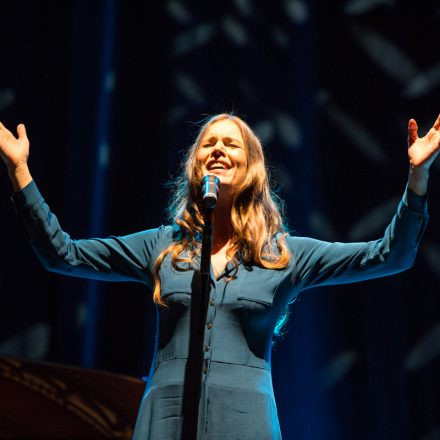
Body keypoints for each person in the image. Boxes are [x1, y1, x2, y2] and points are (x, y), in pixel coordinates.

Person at [0, 113, 438, 439]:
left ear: (251, 166)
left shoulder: (283, 254)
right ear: (195, 166)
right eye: (209, 143)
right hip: (165, 415)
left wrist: (418, 177)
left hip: (245, 419)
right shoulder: (161, 246)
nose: (218, 149)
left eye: (231, 144)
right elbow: (64, 254)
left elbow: (389, 255)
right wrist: (20, 171)